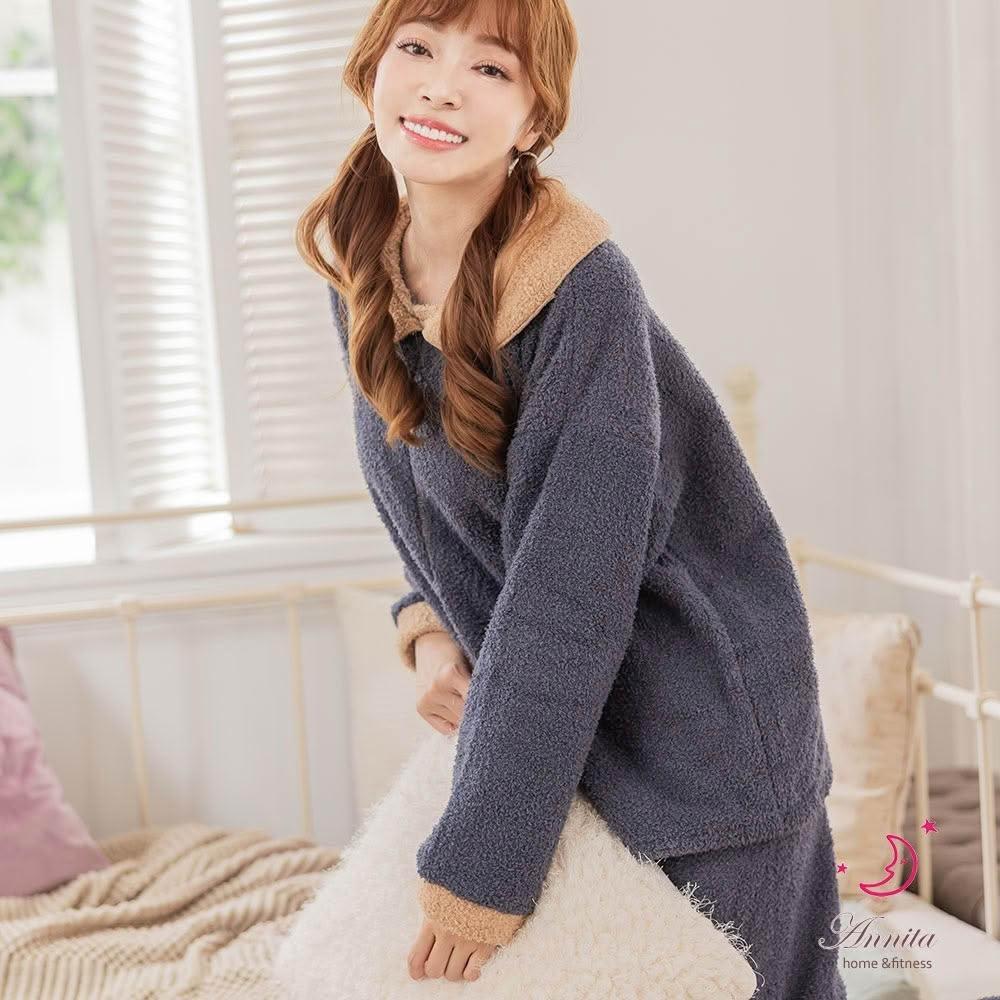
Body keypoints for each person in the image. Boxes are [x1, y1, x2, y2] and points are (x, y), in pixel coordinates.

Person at [296, 1, 847, 996]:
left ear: (536, 121)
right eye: (416, 48)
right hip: (564, 749)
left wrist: (481, 867)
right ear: (370, 70)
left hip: (700, 753)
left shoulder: (583, 290)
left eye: (490, 69)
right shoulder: (369, 266)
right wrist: (429, 629)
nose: (440, 86)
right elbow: (432, 503)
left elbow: (568, 591)